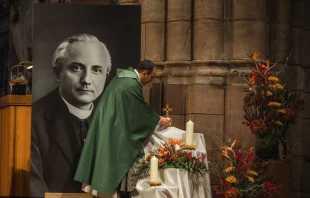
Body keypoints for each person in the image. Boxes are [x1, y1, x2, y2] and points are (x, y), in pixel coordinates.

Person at [74, 60, 171, 197]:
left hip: (109, 123)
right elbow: (139, 111)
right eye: (152, 76)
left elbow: (133, 109)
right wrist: (158, 119)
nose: (151, 79)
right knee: (124, 155)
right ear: (145, 73)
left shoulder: (123, 79)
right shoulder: (131, 84)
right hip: (114, 127)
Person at [30, 34, 112, 197]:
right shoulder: (32, 119)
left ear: (106, 74)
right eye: (77, 68)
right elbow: (32, 186)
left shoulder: (112, 122)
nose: (86, 79)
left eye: (96, 70)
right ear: (57, 72)